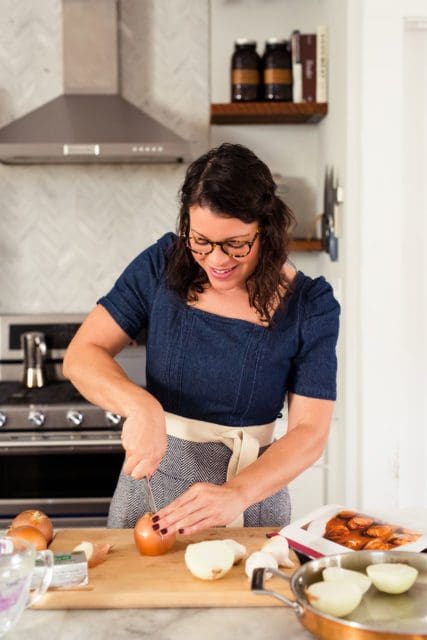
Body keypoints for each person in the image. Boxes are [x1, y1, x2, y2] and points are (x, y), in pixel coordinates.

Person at [63, 142, 340, 535]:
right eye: (201, 241)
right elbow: (81, 355)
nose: (216, 260)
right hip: (152, 497)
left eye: (235, 244)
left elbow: (310, 433)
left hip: (253, 499)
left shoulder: (311, 304)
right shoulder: (161, 264)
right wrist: (140, 407)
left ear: (267, 229)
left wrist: (238, 494)